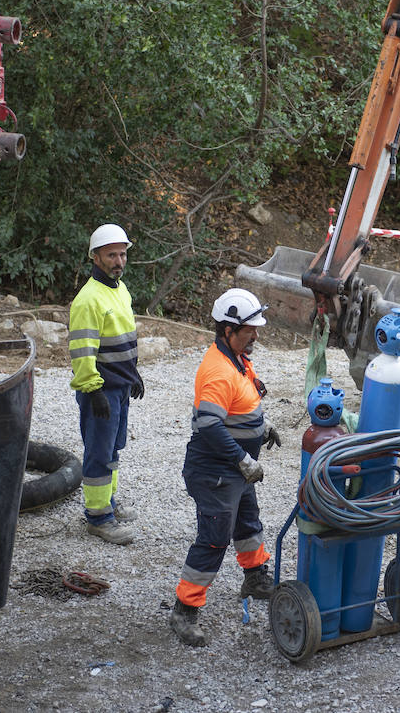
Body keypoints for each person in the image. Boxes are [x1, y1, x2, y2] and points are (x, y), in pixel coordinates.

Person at [170, 288, 283, 647]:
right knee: (214, 538)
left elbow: (241, 402)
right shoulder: (218, 369)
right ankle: (184, 610)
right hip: (215, 469)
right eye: (249, 330)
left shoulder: (236, 358)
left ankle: (254, 576)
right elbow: (210, 425)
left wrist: (260, 428)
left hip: (235, 468)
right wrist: (243, 458)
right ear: (228, 329)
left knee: (247, 520)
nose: (256, 336)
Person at [68, 223, 144, 545]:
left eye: (122, 254)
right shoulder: (87, 300)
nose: (119, 261)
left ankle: (108, 503)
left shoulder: (120, 290)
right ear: (95, 257)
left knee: (114, 447)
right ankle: (98, 518)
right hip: (100, 390)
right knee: (99, 451)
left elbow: (124, 339)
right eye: (111, 255)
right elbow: (83, 352)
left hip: (120, 386)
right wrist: (92, 389)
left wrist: (133, 375)